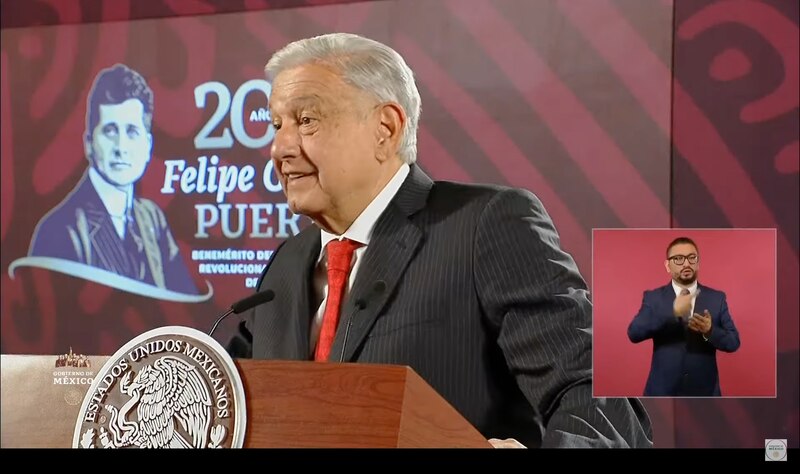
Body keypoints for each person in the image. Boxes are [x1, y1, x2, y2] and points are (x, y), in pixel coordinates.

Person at [228, 33, 652, 448]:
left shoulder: (486, 226)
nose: (279, 147)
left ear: (385, 129)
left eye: (306, 121)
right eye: (276, 124)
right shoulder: (288, 262)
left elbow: (599, 398)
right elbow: (226, 402)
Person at [28, 64, 198, 295]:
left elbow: (183, 304)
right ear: (89, 142)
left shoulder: (152, 219)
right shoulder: (60, 230)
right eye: (109, 130)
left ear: (148, 146)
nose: (121, 147)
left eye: (131, 131)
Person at [627, 237, 741, 396]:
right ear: (668, 265)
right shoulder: (653, 298)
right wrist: (672, 312)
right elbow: (634, 333)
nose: (686, 264)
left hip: (705, 396)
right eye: (678, 259)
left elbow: (733, 343)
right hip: (662, 394)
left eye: (691, 258)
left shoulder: (717, 298)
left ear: (698, 262)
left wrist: (710, 331)